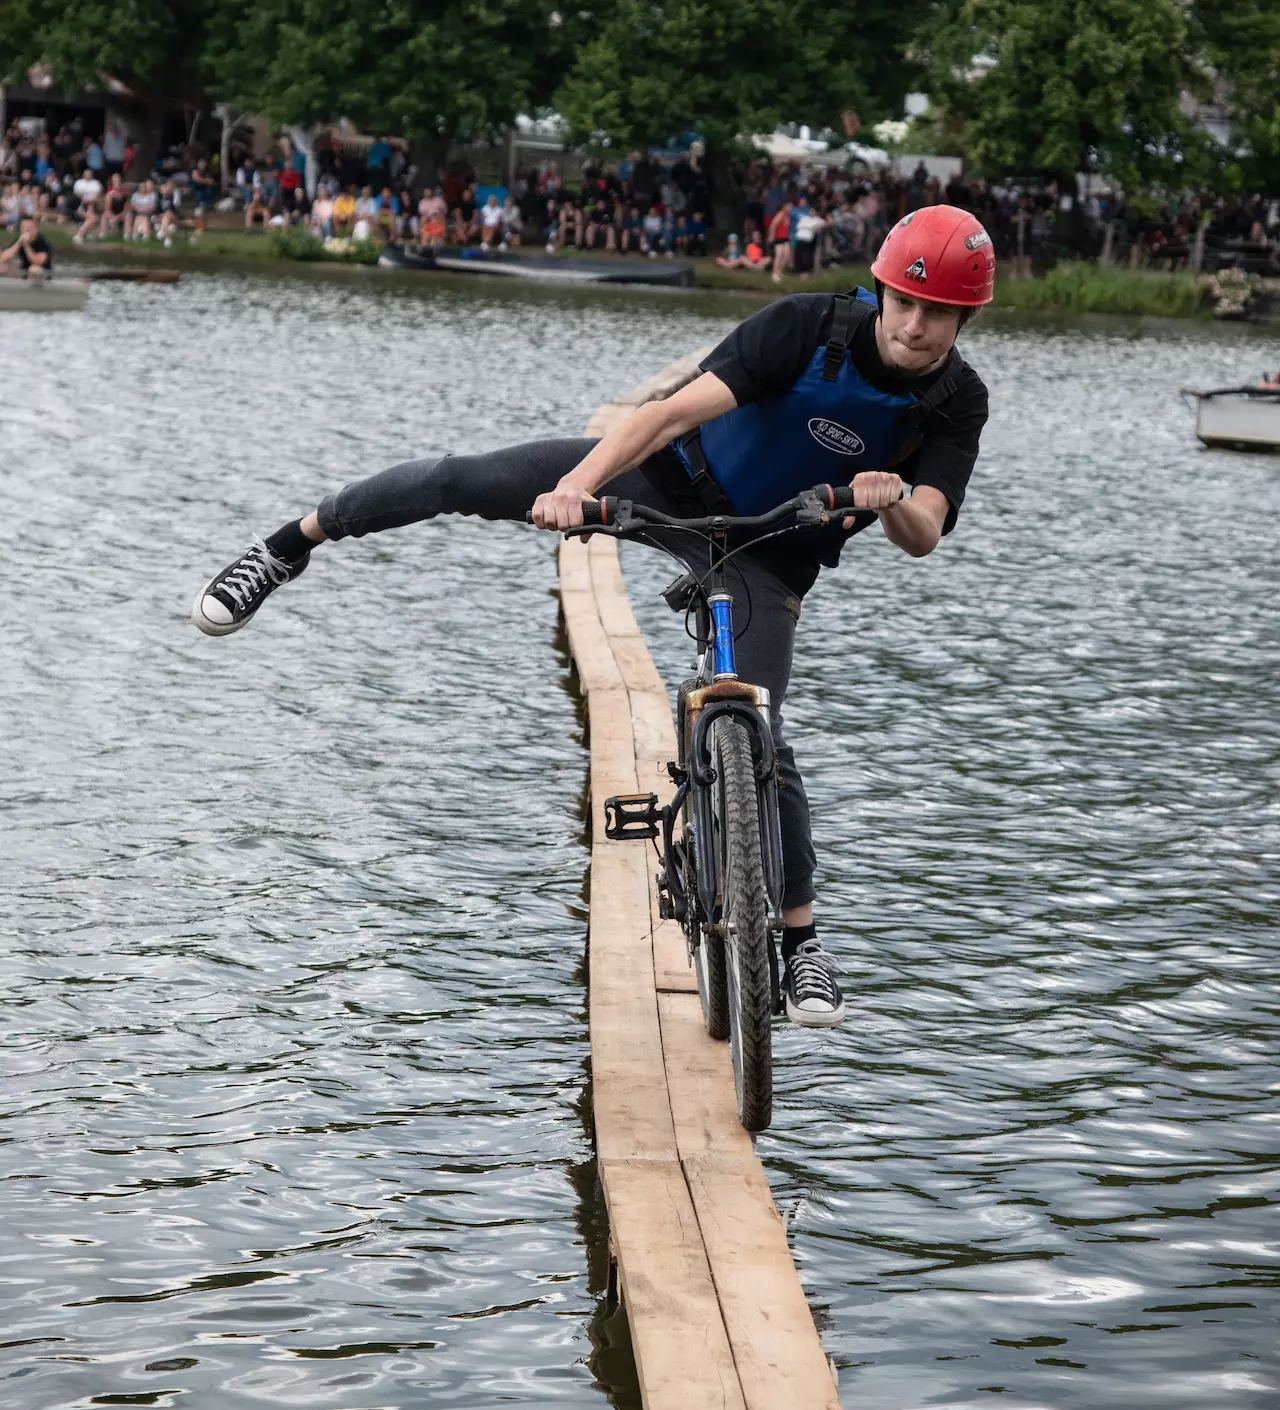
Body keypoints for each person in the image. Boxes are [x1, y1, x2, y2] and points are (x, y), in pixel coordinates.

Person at [191, 206, 994, 1029]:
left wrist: (891, 496)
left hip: (772, 551)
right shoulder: (808, 326)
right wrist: (580, 483)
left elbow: (925, 530)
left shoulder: (954, 402)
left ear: (966, 319)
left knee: (762, 729)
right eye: (905, 301)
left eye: (938, 314)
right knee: (459, 478)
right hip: (663, 481)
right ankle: (291, 544)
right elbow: (666, 415)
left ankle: (802, 946)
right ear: (883, 291)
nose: (916, 325)